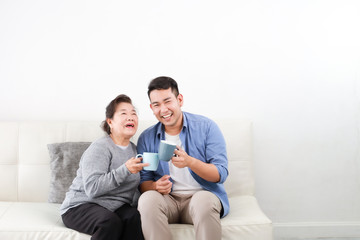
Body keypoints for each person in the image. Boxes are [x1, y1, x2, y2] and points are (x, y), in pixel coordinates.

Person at [137, 76, 229, 240]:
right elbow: (144, 182)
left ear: (179, 99)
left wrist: (190, 162)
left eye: (168, 101)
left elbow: (220, 174)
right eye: (157, 105)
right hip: (168, 201)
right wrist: (155, 186)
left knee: (203, 201)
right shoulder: (147, 138)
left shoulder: (206, 127)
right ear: (151, 108)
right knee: (146, 199)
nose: (163, 109)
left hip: (200, 196)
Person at [60, 94, 148, 240]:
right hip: (80, 206)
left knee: (133, 217)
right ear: (110, 122)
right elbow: (92, 189)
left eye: (134, 113)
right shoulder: (100, 148)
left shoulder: (135, 150)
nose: (131, 117)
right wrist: (125, 170)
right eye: (124, 113)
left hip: (114, 206)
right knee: (109, 222)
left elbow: (132, 190)